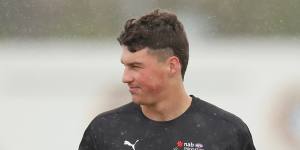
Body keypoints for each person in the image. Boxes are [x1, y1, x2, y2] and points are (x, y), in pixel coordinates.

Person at [79, 9, 256, 150]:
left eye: (135, 67)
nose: (125, 78)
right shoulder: (104, 131)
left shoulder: (228, 132)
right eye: (125, 66)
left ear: (172, 66)